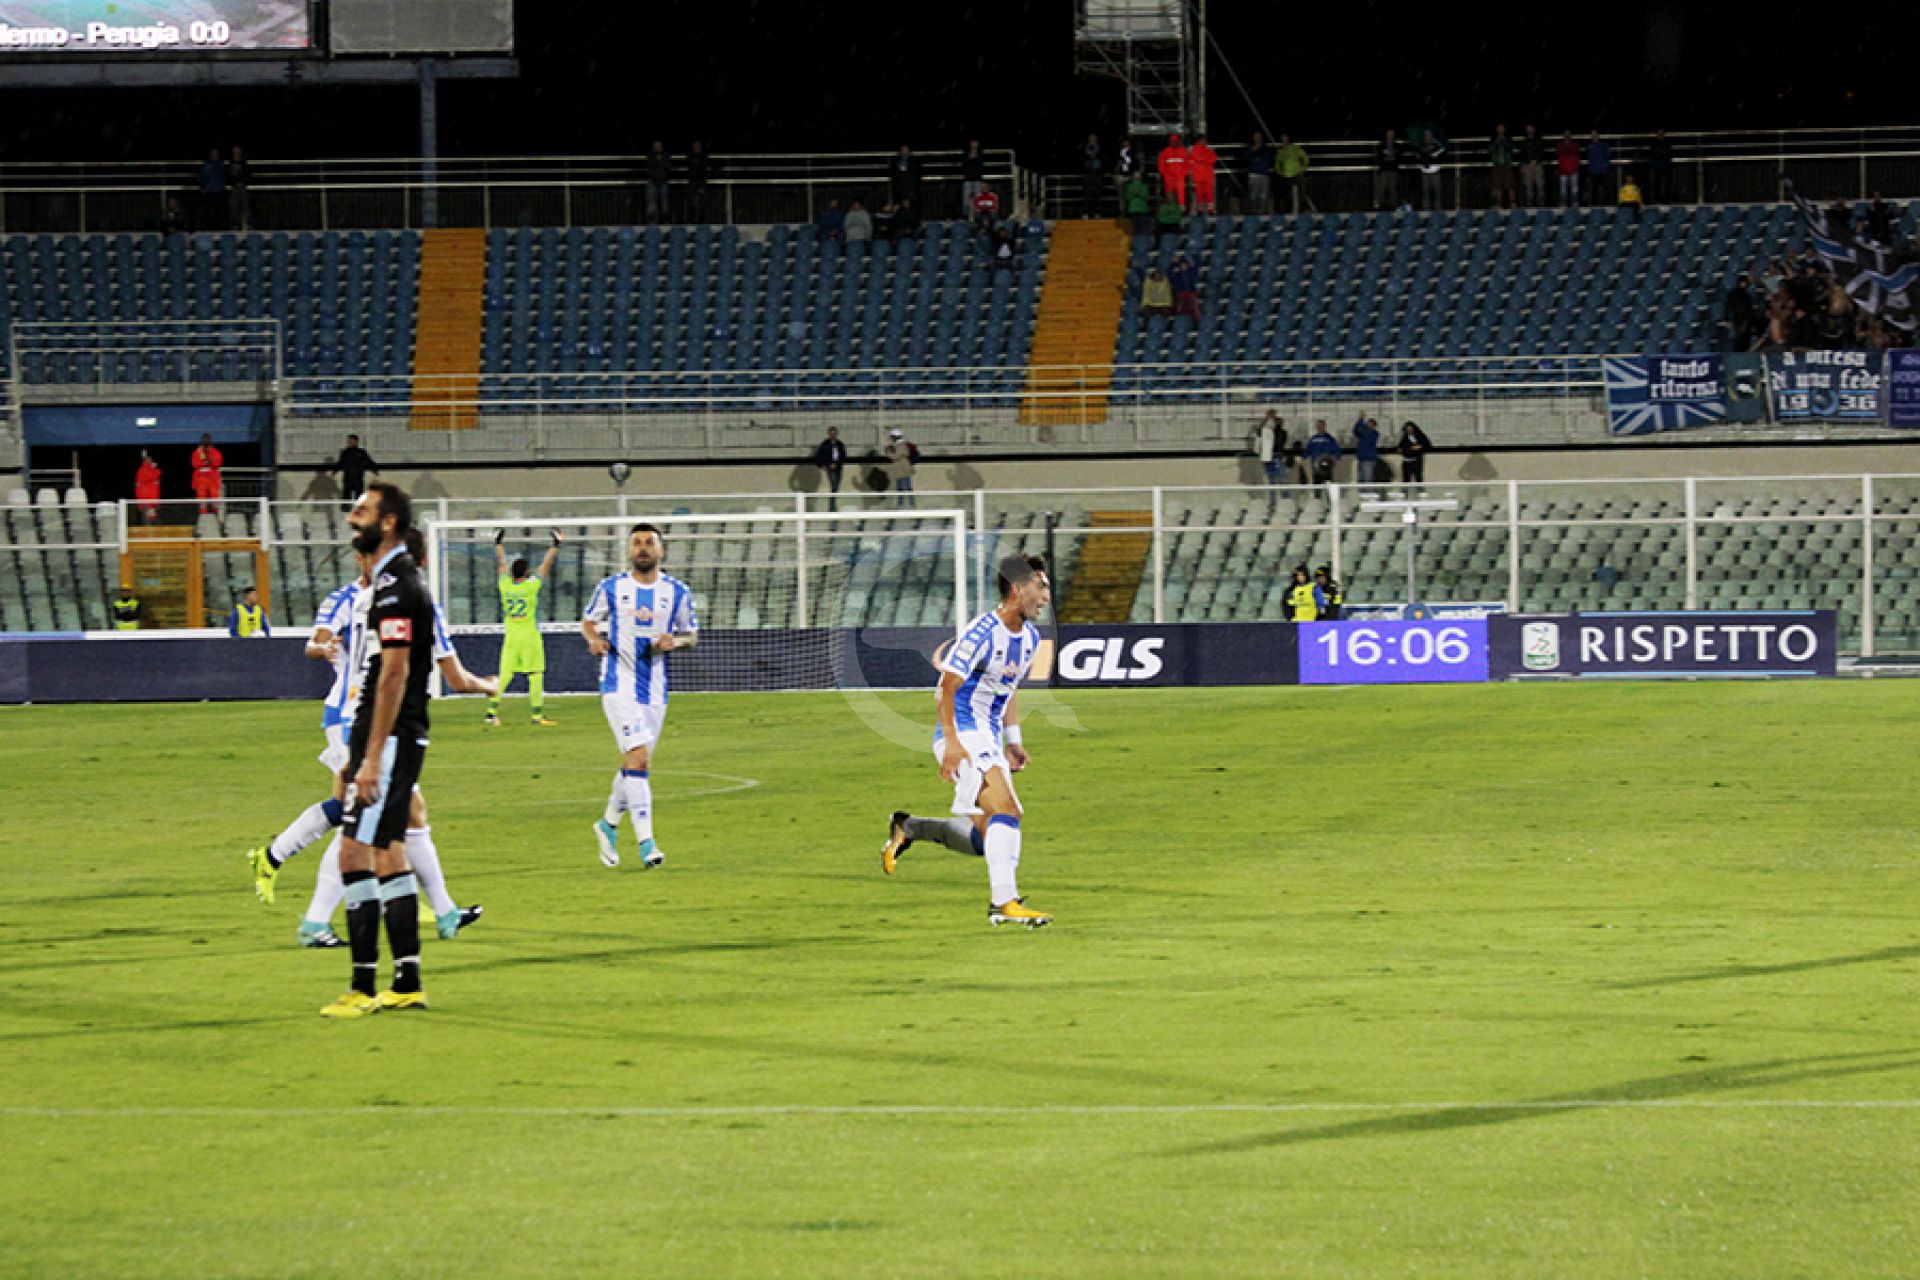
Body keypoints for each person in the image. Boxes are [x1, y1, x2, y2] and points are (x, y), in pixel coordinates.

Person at [249, 540, 492, 949]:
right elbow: (450, 677)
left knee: (405, 812)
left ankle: (443, 910)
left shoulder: (376, 600)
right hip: (361, 718)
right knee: (360, 818)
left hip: (369, 718)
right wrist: (489, 687)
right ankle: (313, 913)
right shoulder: (395, 602)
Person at [880, 554, 1052, 928]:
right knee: (1008, 811)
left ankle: (910, 828)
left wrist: (1013, 740)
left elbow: (1007, 689)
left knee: (987, 836)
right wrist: (954, 744)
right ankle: (1004, 903)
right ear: (1017, 589)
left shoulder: (1030, 638)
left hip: (988, 736)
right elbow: (945, 688)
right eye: (1040, 587)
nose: (1046, 596)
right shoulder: (982, 632)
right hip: (964, 733)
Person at [320, 482, 438, 1017]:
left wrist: (371, 756)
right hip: (388, 735)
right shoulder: (389, 583)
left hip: (390, 737)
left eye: (362, 510)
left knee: (354, 852)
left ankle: (363, 988)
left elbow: (394, 673)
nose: (352, 518)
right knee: (388, 851)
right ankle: (407, 981)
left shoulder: (396, 587)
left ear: (388, 523)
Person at [583, 523, 699, 871]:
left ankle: (608, 823)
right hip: (617, 683)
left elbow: (691, 634)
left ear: (661, 550)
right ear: (629, 550)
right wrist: (594, 640)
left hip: (655, 691)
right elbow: (588, 622)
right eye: (637, 543)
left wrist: (675, 642)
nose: (643, 548)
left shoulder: (676, 592)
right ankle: (647, 843)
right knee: (640, 757)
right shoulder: (611, 587)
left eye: (649, 542)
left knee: (635, 763)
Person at [487, 528, 565, 728]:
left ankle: (491, 713)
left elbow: (501, 564)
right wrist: (556, 546)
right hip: (529, 636)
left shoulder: (505, 586)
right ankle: (537, 716)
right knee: (535, 674)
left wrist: (498, 544)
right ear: (526, 573)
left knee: (505, 675)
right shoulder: (530, 587)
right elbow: (545, 566)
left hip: (511, 637)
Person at [328, 433, 378, 501]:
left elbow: (369, 461)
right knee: (346, 498)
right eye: (348, 441)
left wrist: (375, 471)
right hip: (348, 479)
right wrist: (334, 471)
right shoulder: (345, 452)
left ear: (356, 441)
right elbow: (340, 463)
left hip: (358, 478)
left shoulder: (361, 452)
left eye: (351, 440)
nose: (349, 442)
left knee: (359, 498)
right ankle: (346, 508)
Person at [813, 425, 848, 510]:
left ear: (837, 434)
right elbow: (818, 456)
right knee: (834, 484)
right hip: (830, 468)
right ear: (828, 434)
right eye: (831, 434)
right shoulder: (825, 444)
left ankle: (833, 502)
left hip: (838, 468)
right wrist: (822, 465)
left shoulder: (840, 444)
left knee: (836, 486)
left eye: (834, 434)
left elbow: (843, 456)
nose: (833, 435)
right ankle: (832, 505)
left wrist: (837, 463)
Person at [1276, 133, 1312, 214]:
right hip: (1286, 176)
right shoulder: (1280, 152)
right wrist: (1279, 171)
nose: (1284, 141)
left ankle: (1300, 210)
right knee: (1286, 195)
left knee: (1300, 193)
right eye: (1282, 140)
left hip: (1297, 175)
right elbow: (1277, 164)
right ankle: (1288, 211)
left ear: (1288, 140)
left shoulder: (1295, 148)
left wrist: (1303, 168)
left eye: (1285, 139)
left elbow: (1305, 157)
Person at [190, 433, 223, 515]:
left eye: (207, 444)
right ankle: (203, 514)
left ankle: (216, 514)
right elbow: (194, 463)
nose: (206, 447)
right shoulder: (197, 452)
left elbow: (218, 463)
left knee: (215, 496)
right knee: (201, 497)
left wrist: (209, 462)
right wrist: (205, 463)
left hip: (212, 477)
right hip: (200, 478)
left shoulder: (215, 452)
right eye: (204, 444)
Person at [884, 428, 917, 506]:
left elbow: (895, 456)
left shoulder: (901, 445)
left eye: (891, 437)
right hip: (900, 470)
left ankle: (911, 505)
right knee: (900, 488)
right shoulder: (898, 445)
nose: (890, 439)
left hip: (903, 470)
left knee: (906, 488)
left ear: (895, 437)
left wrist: (888, 450)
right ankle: (901, 504)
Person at [1253, 411, 1287, 486]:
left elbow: (1278, 443)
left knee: (1280, 478)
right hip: (1271, 456)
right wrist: (1266, 419)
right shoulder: (1270, 431)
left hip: (1275, 455)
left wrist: (1270, 418)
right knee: (1273, 478)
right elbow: (1259, 431)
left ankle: (1284, 494)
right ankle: (1274, 494)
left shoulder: (1281, 432)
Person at [1187, 133, 1219, 214]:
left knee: (1201, 194)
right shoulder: (1207, 150)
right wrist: (1204, 161)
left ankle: (1201, 210)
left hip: (1200, 176)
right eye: (1204, 140)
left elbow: (1213, 159)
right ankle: (1208, 210)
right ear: (1200, 140)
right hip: (1205, 176)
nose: (1205, 141)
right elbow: (1213, 159)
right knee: (1205, 194)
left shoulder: (1193, 151)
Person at [1157, 133, 1189, 209]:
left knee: (1181, 193)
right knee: (1169, 193)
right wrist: (1165, 174)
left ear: (1178, 141)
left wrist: (1183, 174)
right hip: (1169, 177)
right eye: (1172, 141)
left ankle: (1181, 210)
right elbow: (1161, 164)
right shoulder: (1165, 151)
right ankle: (1172, 209)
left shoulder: (1183, 151)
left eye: (1175, 141)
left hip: (1179, 177)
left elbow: (1187, 164)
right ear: (1169, 141)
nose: (1174, 142)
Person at [1304, 419, 1341, 485]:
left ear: (1324, 426)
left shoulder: (1330, 439)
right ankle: (1317, 492)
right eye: (1318, 426)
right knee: (1317, 484)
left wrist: (1337, 458)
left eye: (1321, 426)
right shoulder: (1313, 439)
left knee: (1328, 483)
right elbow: (1308, 450)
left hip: (1327, 465)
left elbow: (1336, 450)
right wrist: (1303, 457)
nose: (1319, 427)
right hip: (1316, 465)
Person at [197, 148, 226, 230]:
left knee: (219, 211)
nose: (214, 155)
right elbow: (201, 177)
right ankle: (209, 227)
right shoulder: (206, 165)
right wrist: (203, 187)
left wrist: (223, 185)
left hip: (219, 191)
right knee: (208, 211)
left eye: (216, 154)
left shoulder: (221, 165)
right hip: (209, 191)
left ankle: (219, 228)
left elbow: (224, 176)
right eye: (213, 154)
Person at [1245, 131, 1273, 215]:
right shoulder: (1249, 147)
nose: (1257, 138)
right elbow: (1245, 158)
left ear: (1261, 137)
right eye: (1256, 136)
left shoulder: (1265, 147)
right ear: (1253, 137)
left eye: (1259, 136)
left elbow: (1269, 159)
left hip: (1264, 174)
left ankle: (1262, 211)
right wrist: (1252, 150)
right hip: (1253, 174)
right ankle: (1253, 212)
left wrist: (1261, 151)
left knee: (1263, 194)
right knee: (1253, 194)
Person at [1489, 124, 1516, 210]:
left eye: (1502, 128)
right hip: (1497, 166)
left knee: (1510, 185)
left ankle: (1513, 203)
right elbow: (1490, 150)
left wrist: (1504, 142)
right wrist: (1497, 143)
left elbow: (1511, 148)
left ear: (1504, 129)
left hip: (1507, 165)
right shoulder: (1493, 139)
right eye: (1499, 128)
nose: (1500, 129)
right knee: (1497, 186)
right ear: (1496, 129)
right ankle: (1498, 204)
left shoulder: (1508, 138)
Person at [1373, 130, 1402, 210]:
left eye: (1392, 134)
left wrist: (1394, 157)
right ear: (1386, 135)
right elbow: (1378, 156)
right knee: (1382, 188)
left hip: (1393, 169)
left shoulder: (1396, 145)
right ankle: (1381, 205)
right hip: (1384, 169)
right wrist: (1381, 163)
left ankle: (1393, 205)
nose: (1390, 135)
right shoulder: (1381, 145)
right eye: (1389, 134)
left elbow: (1399, 156)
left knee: (1393, 188)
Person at [1398, 419, 1432, 484]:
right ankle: (1405, 490)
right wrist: (1404, 450)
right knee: (1406, 479)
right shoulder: (1404, 438)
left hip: (1417, 461)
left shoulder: (1420, 436)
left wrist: (1419, 447)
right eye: (1407, 429)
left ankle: (1420, 490)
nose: (1409, 430)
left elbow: (1427, 445)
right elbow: (1400, 447)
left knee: (1418, 478)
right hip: (1407, 461)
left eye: (1410, 429)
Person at [1519, 124, 1545, 207]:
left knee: (1540, 184)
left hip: (1537, 164)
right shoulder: (1524, 141)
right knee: (1528, 185)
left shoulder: (1539, 140)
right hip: (1527, 165)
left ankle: (1541, 202)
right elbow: (1521, 155)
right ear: (1526, 130)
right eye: (1528, 128)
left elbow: (1541, 152)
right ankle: (1529, 202)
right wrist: (1522, 166)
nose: (1529, 130)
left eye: (1531, 128)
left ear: (1534, 129)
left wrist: (1536, 160)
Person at [1583, 131, 1612, 207]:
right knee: (1591, 189)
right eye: (1592, 135)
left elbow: (1608, 156)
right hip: (1592, 171)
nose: (1594, 136)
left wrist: (1604, 166)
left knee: (1602, 190)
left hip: (1602, 171)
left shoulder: (1604, 145)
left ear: (1598, 136)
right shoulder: (1588, 146)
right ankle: (1591, 206)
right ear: (1591, 136)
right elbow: (1587, 157)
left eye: (1595, 135)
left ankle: (1601, 205)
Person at [1418, 132, 1446, 211]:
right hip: (1425, 171)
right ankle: (1426, 209)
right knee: (1425, 191)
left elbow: (1443, 149)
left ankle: (1438, 209)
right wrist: (1422, 161)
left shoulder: (1436, 143)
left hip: (1435, 170)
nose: (1428, 136)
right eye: (1426, 135)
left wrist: (1436, 153)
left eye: (1429, 135)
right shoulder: (1422, 144)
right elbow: (1418, 155)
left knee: (1437, 191)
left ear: (1432, 135)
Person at [685, 141, 712, 222]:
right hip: (693, 182)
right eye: (695, 145)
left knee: (703, 201)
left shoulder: (704, 155)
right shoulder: (690, 155)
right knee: (692, 202)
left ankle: (703, 219)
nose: (696, 147)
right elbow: (689, 164)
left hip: (702, 181)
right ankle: (692, 220)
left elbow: (705, 166)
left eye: (698, 145)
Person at [645, 141, 671, 223]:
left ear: (662, 147)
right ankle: (652, 219)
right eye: (656, 146)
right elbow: (648, 165)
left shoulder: (666, 155)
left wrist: (659, 163)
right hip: (652, 181)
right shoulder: (650, 156)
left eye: (659, 146)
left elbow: (668, 166)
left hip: (663, 181)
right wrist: (658, 162)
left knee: (664, 200)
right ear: (653, 147)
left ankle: (665, 219)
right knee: (651, 199)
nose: (657, 147)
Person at [1646, 129, 1674, 205]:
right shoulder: (1653, 143)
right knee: (1656, 183)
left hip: (1665, 165)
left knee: (1667, 183)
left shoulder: (1667, 142)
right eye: (1659, 133)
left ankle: (1666, 200)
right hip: (1657, 165)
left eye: (1662, 133)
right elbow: (1653, 153)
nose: (1660, 135)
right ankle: (1657, 199)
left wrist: (1660, 153)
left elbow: (1668, 152)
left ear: (1664, 134)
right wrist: (1661, 153)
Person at [226, 146, 250, 231]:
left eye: (237, 151)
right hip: (233, 187)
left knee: (245, 206)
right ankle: (235, 225)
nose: (236, 153)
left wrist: (242, 182)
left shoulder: (244, 162)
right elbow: (227, 175)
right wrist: (233, 183)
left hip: (243, 187)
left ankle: (245, 224)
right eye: (234, 152)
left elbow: (247, 174)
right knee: (233, 207)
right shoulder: (230, 163)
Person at [1352, 414, 1381, 484]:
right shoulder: (1364, 432)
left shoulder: (1374, 434)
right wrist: (1360, 420)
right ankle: (1362, 491)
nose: (1367, 425)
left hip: (1369, 460)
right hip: (1361, 459)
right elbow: (1355, 431)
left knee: (1367, 480)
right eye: (1367, 423)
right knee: (1360, 480)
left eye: (1369, 424)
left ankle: (1369, 491)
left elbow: (1363, 432)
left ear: (1373, 425)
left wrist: (1362, 422)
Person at [961, 140, 987, 217]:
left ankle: (978, 216)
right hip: (968, 180)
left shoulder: (981, 154)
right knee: (966, 201)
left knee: (978, 200)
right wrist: (970, 157)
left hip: (978, 180)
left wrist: (975, 156)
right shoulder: (965, 153)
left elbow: (982, 164)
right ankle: (967, 216)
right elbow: (963, 163)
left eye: (975, 143)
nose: (974, 144)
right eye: (973, 143)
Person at [134, 449, 162, 523]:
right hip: (146, 495)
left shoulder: (154, 470)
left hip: (148, 495)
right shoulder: (143, 470)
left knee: (150, 518)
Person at [1080, 133, 1104, 215]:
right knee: (1087, 194)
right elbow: (1081, 158)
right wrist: (1086, 161)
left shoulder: (1100, 148)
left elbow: (1103, 158)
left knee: (1098, 194)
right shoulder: (1084, 148)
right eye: (1091, 138)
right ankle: (1085, 212)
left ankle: (1097, 212)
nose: (1093, 140)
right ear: (1088, 139)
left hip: (1097, 173)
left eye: (1094, 138)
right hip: (1088, 173)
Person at [1125, 170, 1154, 236]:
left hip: (1141, 210)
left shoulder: (1144, 186)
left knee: (1140, 230)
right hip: (1134, 210)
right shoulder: (1130, 186)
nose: (1137, 178)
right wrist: (1137, 194)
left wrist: (1136, 194)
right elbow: (1127, 196)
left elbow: (1146, 196)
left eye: (1138, 176)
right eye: (1136, 176)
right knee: (1137, 230)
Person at [1556, 131, 1580, 207]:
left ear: (1571, 136)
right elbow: (1558, 152)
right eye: (1565, 134)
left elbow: (1575, 150)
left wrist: (1568, 146)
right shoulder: (1559, 145)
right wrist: (1566, 146)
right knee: (1563, 190)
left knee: (1574, 189)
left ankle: (1575, 204)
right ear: (1563, 136)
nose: (1567, 136)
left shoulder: (1575, 144)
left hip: (1573, 169)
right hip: (1563, 170)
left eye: (1568, 134)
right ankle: (1563, 204)